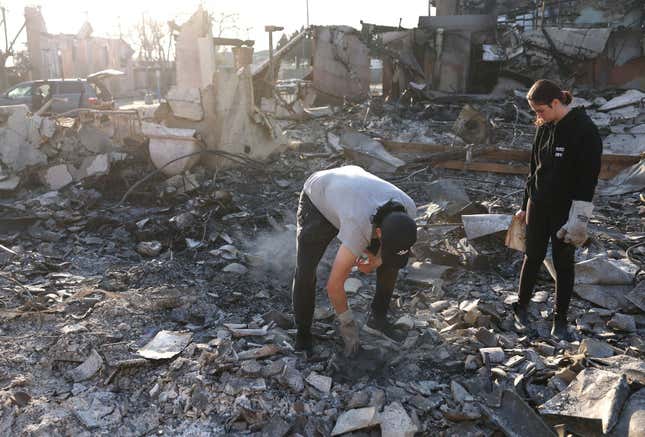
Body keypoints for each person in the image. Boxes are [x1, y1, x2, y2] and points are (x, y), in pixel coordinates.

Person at [292, 165, 417, 355]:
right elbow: (334, 285)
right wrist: (348, 326)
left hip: (354, 194)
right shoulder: (357, 226)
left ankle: (378, 320)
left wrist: (377, 259)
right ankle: (302, 335)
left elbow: (395, 247)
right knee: (306, 270)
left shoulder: (408, 210)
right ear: (378, 233)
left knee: (391, 263)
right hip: (319, 194)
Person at [513, 79, 602, 340]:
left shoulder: (585, 131)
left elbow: (589, 180)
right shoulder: (545, 126)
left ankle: (560, 319)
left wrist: (580, 219)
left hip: (566, 209)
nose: (537, 117)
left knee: (563, 263)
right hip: (537, 204)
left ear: (555, 102)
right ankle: (521, 307)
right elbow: (533, 169)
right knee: (533, 256)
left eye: (540, 110)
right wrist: (523, 205)